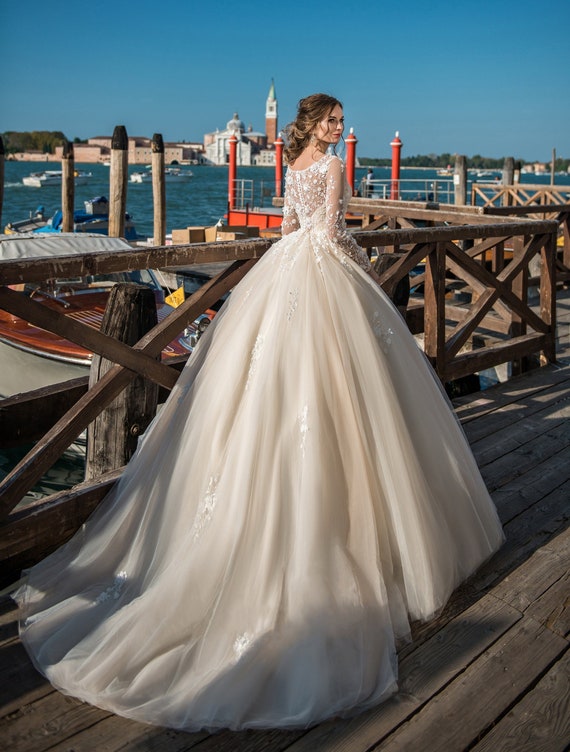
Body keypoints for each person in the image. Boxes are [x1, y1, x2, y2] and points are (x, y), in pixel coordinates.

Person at [13, 93, 504, 732]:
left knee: (270, 389)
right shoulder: (329, 167)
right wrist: (364, 266)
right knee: (342, 394)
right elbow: (330, 235)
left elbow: (290, 229)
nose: (337, 128)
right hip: (322, 279)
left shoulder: (296, 162)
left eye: (339, 122)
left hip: (282, 276)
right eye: (331, 120)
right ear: (315, 123)